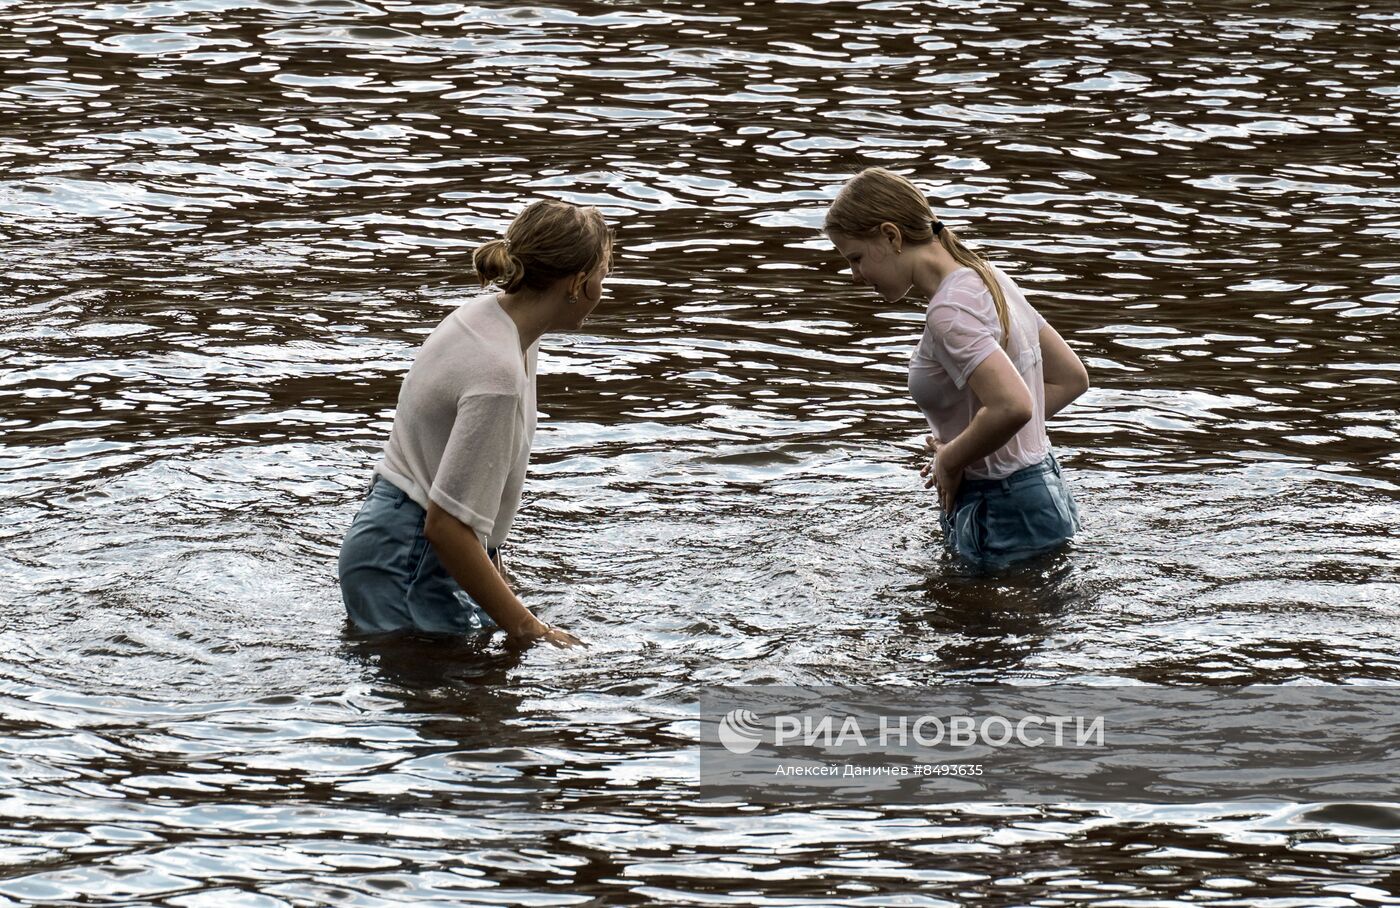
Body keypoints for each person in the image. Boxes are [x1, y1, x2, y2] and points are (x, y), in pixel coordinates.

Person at [338, 199, 611, 646]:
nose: (603, 287)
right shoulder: (497, 373)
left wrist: (508, 596)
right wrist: (531, 629)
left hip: (394, 540)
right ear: (578, 283)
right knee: (454, 709)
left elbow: (458, 501)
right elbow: (445, 526)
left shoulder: (489, 320)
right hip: (408, 559)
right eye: (603, 274)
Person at [824, 167, 1089, 569]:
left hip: (1000, 505)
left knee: (983, 630)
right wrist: (970, 443)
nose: (855, 276)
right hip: (1042, 488)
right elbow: (1070, 379)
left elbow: (1013, 406)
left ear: (891, 236)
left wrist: (950, 460)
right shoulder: (988, 276)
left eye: (856, 258)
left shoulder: (948, 311)